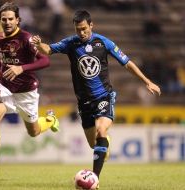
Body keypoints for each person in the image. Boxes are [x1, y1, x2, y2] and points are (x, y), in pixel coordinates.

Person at [31, 10, 161, 183]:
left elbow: (127, 63)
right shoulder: (71, 43)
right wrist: (40, 45)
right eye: (78, 29)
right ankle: (103, 142)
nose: (82, 33)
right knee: (94, 144)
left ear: (91, 25)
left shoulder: (103, 42)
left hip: (103, 96)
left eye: (84, 29)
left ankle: (94, 179)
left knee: (101, 129)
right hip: (84, 102)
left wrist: (147, 81)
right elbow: (48, 50)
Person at [0, 2, 59, 179]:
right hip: (5, 86)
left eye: (10, 19)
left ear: (18, 20)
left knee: (34, 132)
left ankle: (50, 120)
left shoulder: (26, 38)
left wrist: (22, 68)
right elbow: (6, 60)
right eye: (4, 19)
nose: (7, 22)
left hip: (26, 91)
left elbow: (45, 61)